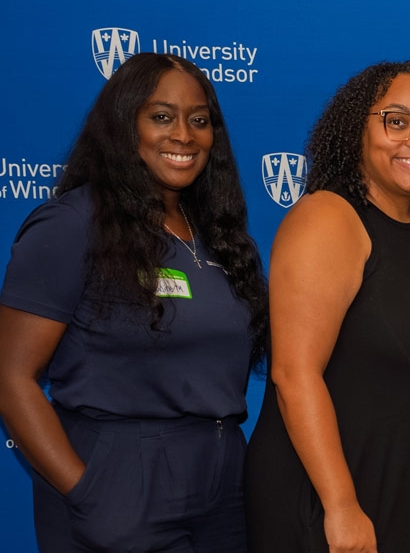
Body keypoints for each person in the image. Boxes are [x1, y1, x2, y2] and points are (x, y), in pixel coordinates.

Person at [0, 53, 268, 551]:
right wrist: (89, 490)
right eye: (161, 116)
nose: (184, 135)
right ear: (124, 125)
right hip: (119, 473)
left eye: (200, 119)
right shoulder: (71, 226)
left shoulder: (225, 240)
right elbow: (11, 376)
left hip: (224, 477)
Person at [244, 62, 410, 553]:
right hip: (341, 492)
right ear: (358, 128)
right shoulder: (327, 217)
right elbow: (294, 374)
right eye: (397, 120)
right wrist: (341, 506)